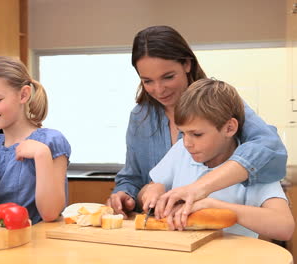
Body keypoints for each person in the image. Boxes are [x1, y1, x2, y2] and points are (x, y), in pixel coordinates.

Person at [107, 25, 287, 226]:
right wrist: (125, 195)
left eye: (168, 77)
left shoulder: (218, 105)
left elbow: (269, 146)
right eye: (147, 81)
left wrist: (200, 189)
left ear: (186, 64)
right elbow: (133, 178)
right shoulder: (140, 117)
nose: (159, 90)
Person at [137, 79, 294, 240]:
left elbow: (285, 227)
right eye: (182, 133)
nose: (187, 143)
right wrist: (153, 190)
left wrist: (214, 206)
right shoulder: (181, 151)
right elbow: (149, 188)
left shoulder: (256, 166)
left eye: (197, 134)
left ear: (229, 128)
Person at [0, 56, 71, 224]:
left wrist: (42, 155)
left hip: (34, 244)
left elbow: (50, 213)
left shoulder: (51, 141)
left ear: (24, 95)